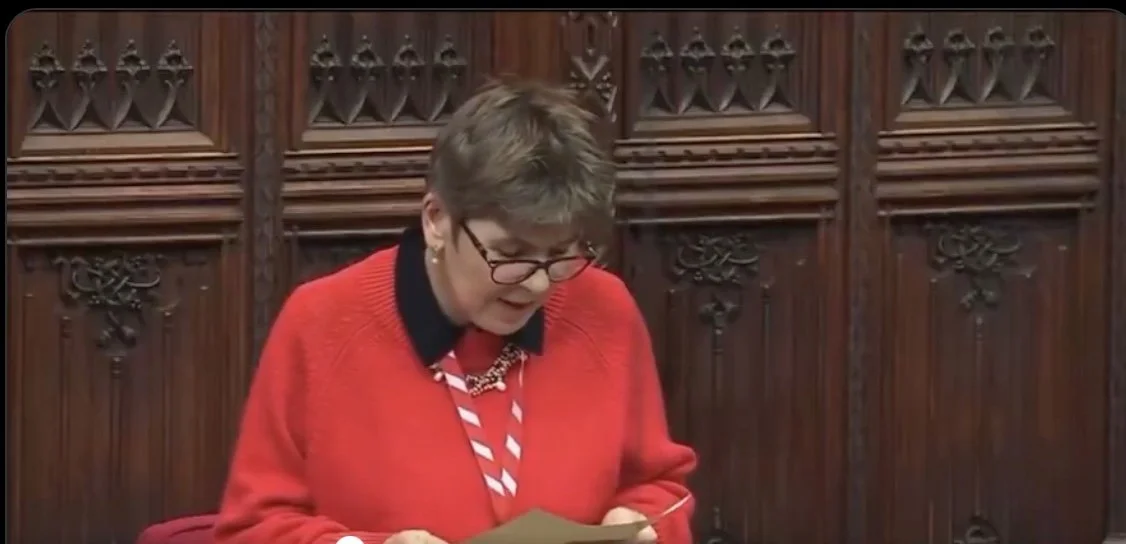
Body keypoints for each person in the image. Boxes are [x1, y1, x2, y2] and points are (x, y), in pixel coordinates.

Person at [213, 77, 697, 544]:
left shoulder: (603, 309)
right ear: (437, 220)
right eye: (510, 255)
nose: (537, 283)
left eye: (560, 256)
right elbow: (251, 528)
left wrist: (637, 521)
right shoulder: (321, 323)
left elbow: (660, 486)